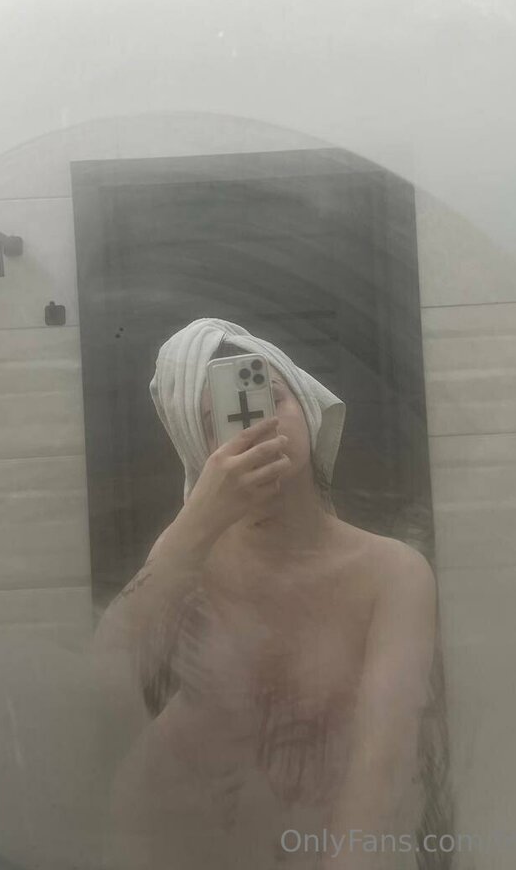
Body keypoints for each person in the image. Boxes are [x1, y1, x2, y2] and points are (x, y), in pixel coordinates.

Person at [91, 318, 438, 870]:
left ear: (306, 405)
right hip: (165, 841)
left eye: (269, 396)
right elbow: (103, 682)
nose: (255, 422)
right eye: (217, 422)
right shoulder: (187, 556)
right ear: (200, 451)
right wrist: (194, 524)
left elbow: (385, 764)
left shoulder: (392, 572)